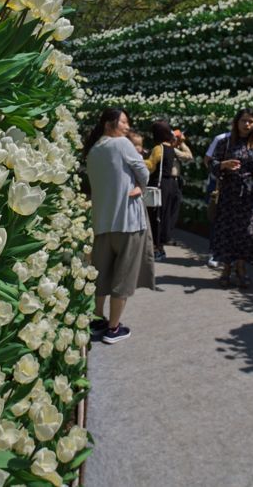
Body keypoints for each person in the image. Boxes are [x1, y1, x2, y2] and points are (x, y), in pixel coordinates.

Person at [84, 108, 156, 344]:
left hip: (102, 222)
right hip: (128, 220)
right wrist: (139, 185)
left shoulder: (93, 151)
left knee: (101, 274)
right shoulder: (122, 144)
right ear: (108, 124)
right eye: (123, 121)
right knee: (123, 278)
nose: (127, 126)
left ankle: (97, 319)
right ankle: (114, 329)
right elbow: (144, 173)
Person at [209, 109, 253, 289]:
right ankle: (226, 269)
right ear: (236, 123)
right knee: (227, 231)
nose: (247, 125)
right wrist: (223, 165)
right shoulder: (226, 143)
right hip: (229, 194)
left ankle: (241, 268)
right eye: (244, 121)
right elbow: (212, 164)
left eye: (251, 122)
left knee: (247, 233)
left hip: (249, 196)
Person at [143, 121, 191, 260]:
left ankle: (156, 247)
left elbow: (151, 166)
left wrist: (138, 158)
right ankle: (161, 246)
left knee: (156, 215)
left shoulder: (158, 148)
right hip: (170, 184)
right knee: (165, 215)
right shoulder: (171, 148)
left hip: (159, 185)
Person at [203, 130, 230, 268]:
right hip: (218, 184)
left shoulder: (252, 142)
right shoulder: (221, 138)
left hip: (239, 187)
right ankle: (215, 252)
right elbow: (207, 160)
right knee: (216, 217)